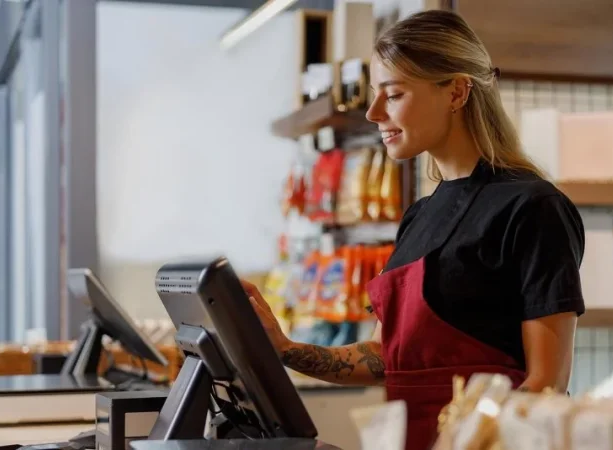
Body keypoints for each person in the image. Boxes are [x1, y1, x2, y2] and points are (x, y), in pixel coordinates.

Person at [243, 9, 584, 449]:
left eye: (394, 94)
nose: (372, 112)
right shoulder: (419, 215)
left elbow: (546, 384)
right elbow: (391, 357)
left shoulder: (534, 208)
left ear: (457, 91)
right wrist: (285, 349)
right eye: (373, 95)